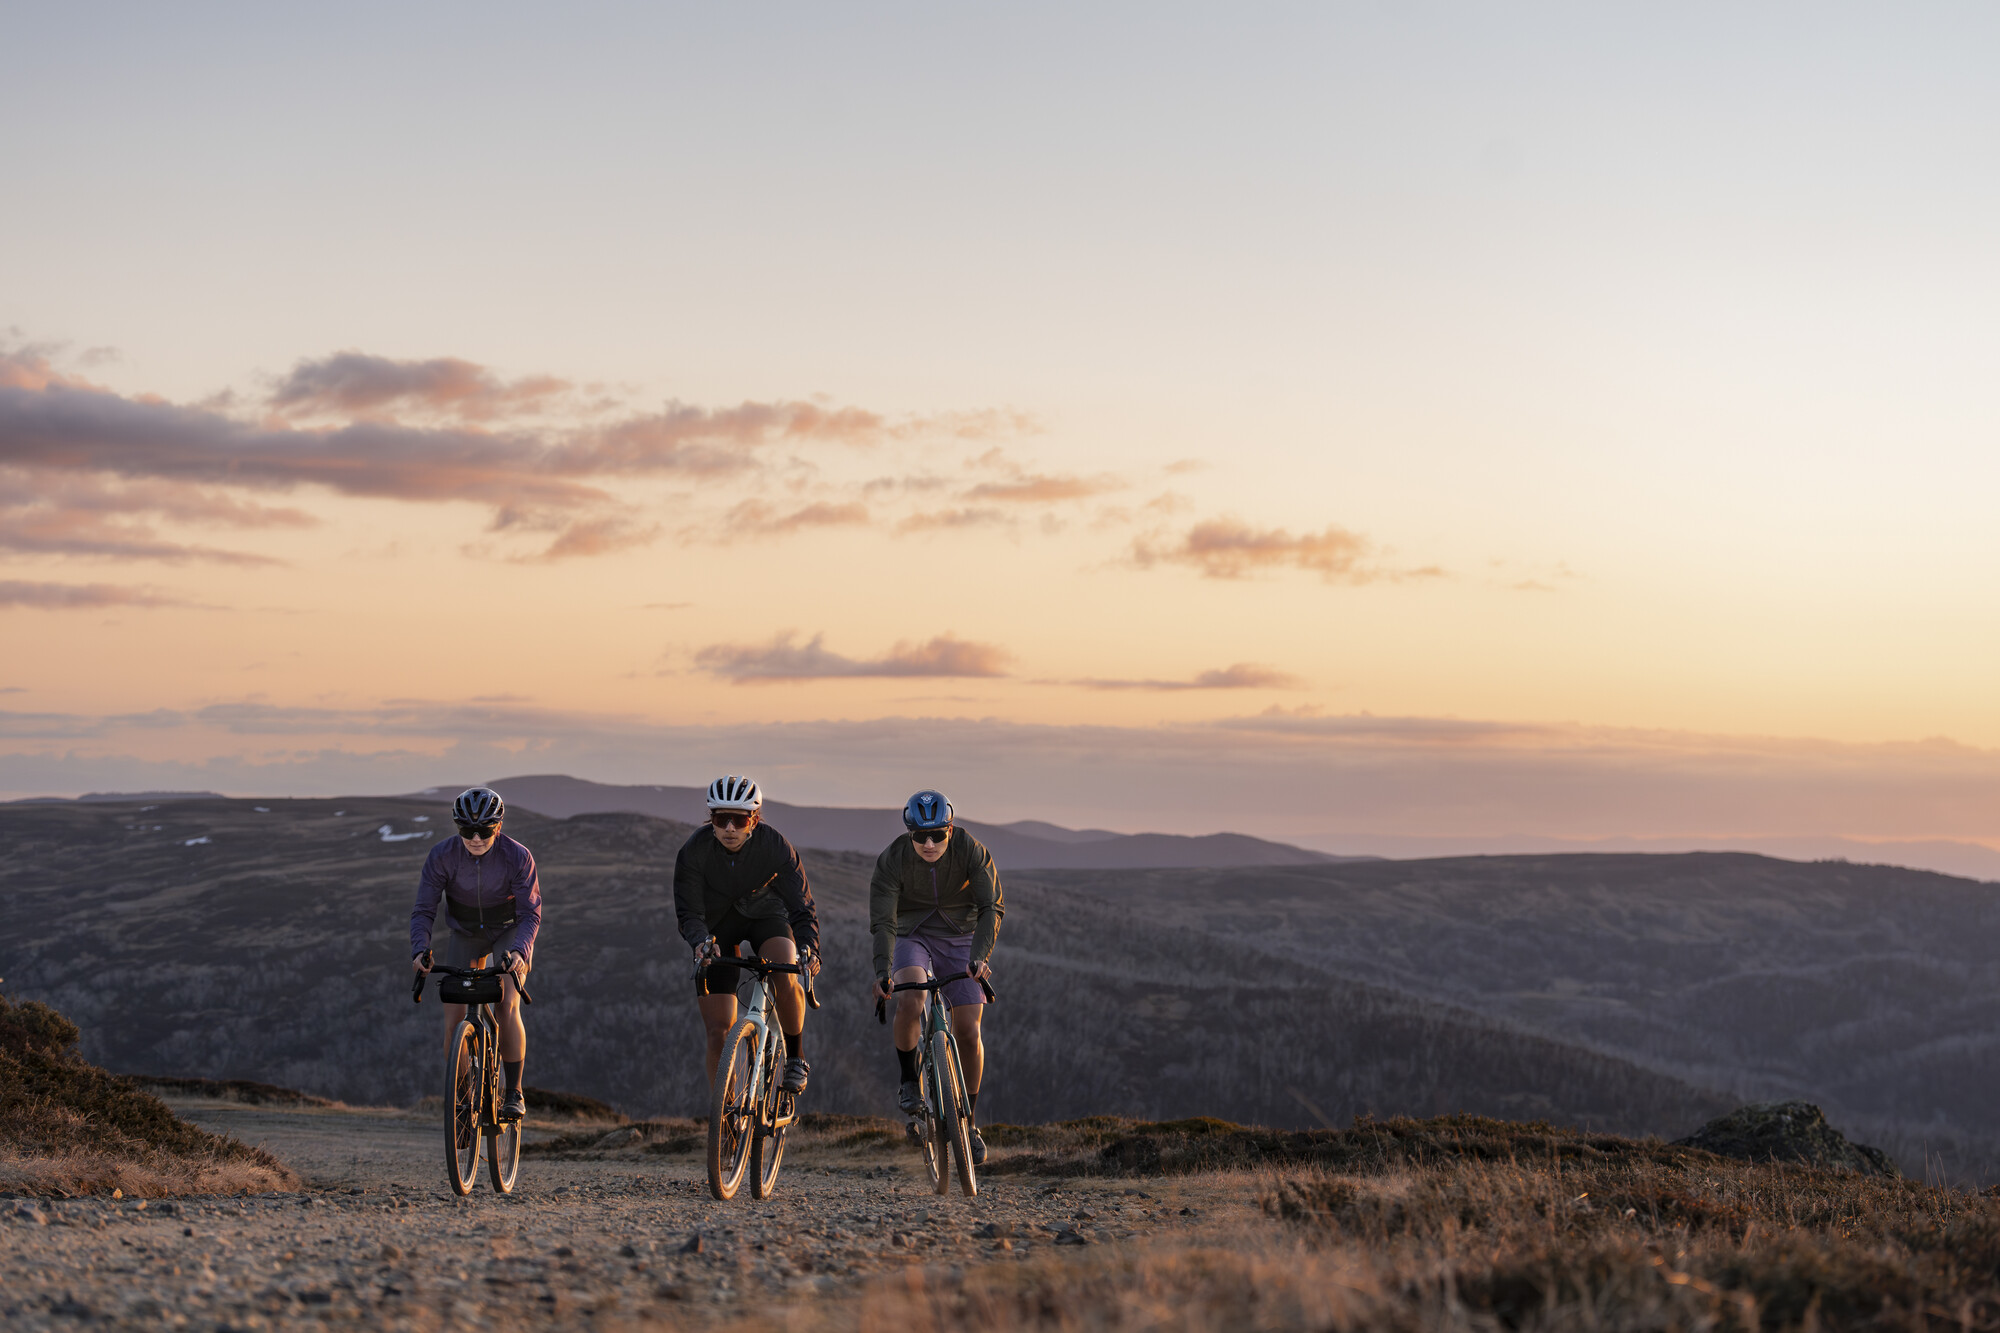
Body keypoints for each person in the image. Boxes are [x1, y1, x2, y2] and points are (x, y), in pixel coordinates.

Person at [870, 789, 1004, 1164]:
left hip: (962, 936)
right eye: (919, 836)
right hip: (912, 933)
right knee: (910, 997)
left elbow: (991, 906)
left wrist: (980, 957)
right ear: (909, 832)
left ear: (950, 828)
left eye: (938, 835)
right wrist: (883, 971)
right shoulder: (893, 860)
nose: (929, 844)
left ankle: (969, 1122)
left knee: (968, 1029)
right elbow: (883, 920)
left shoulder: (970, 850)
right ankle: (910, 1081)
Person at [672, 775, 821, 1095]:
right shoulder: (695, 850)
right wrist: (700, 943)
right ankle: (724, 1119)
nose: (729, 828)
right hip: (716, 928)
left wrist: (809, 947)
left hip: (765, 917)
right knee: (717, 1031)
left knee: (785, 963)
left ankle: (796, 1056)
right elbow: (689, 913)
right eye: (720, 818)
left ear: (753, 820)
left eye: (738, 820)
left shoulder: (775, 846)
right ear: (710, 818)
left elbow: (801, 906)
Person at [410, 786, 541, 1121]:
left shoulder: (517, 856)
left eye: (484, 830)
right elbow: (424, 909)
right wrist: (420, 949)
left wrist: (519, 952)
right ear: (457, 828)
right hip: (465, 933)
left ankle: (513, 1092)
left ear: (498, 827)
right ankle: (464, 1100)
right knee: (453, 1022)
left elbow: (530, 914)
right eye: (468, 830)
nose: (476, 838)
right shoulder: (442, 856)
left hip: (508, 932)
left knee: (506, 1004)